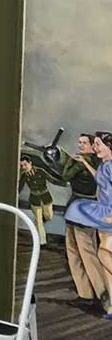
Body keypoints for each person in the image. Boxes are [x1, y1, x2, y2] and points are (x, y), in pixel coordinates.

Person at [62, 131, 112, 321]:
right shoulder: (90, 163)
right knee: (73, 253)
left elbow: (66, 175)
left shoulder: (100, 163)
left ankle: (105, 298)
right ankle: (85, 294)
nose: (81, 145)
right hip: (77, 211)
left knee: (91, 255)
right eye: (80, 141)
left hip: (93, 212)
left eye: (86, 142)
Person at [18, 154, 54, 245]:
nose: (24, 167)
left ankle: (42, 218)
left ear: (30, 163)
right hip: (34, 200)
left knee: (48, 216)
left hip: (46, 198)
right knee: (39, 221)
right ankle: (42, 241)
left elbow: (52, 179)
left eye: (25, 164)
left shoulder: (40, 171)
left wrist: (65, 183)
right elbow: (19, 188)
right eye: (22, 166)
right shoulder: (24, 176)